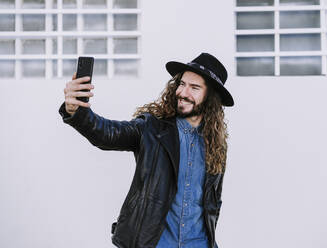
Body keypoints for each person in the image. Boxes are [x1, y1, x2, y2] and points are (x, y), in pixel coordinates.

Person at [58, 53, 234, 248]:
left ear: (210, 98)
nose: (183, 92)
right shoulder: (152, 129)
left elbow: (212, 204)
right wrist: (77, 111)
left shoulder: (216, 145)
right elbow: (108, 133)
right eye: (182, 84)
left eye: (194, 88)